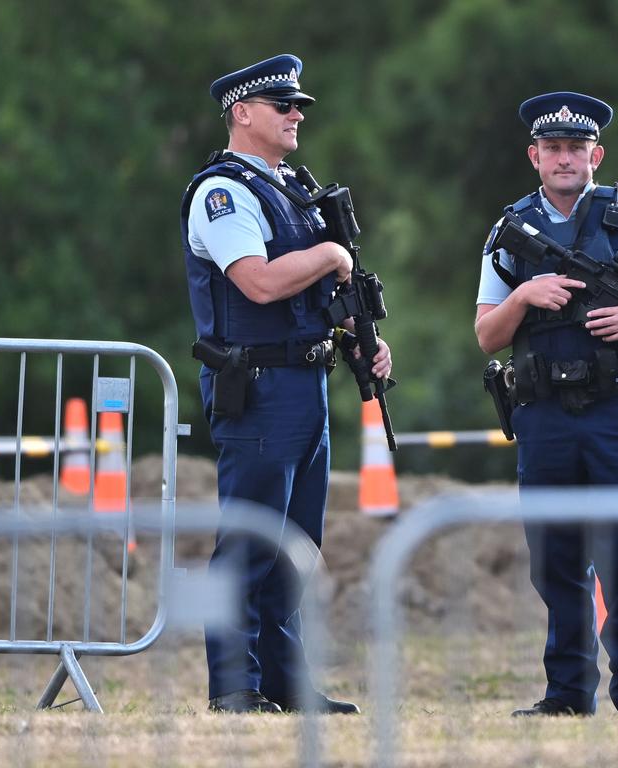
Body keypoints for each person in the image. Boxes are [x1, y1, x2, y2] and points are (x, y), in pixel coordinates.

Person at [180, 54, 391, 714]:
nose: (297, 114)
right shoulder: (225, 194)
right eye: (283, 106)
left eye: (298, 105)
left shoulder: (293, 189)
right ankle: (233, 685)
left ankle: (283, 680)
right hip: (260, 386)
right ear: (242, 113)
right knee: (248, 540)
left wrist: (363, 337)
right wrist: (331, 256)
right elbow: (259, 281)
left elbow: (323, 289)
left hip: (305, 381)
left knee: (296, 545)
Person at [475, 92, 618, 718]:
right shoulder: (509, 230)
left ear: (598, 155)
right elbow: (487, 334)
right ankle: (566, 696)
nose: (565, 159)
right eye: (553, 148)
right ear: (534, 156)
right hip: (545, 414)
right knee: (556, 561)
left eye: (576, 149)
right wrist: (525, 295)